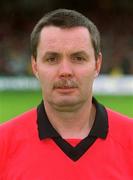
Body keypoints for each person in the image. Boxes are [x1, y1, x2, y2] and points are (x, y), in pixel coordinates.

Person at [0, 9, 133, 179]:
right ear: (35, 66)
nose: (65, 71)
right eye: (52, 59)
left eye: (78, 58)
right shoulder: (3, 144)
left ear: (97, 64)